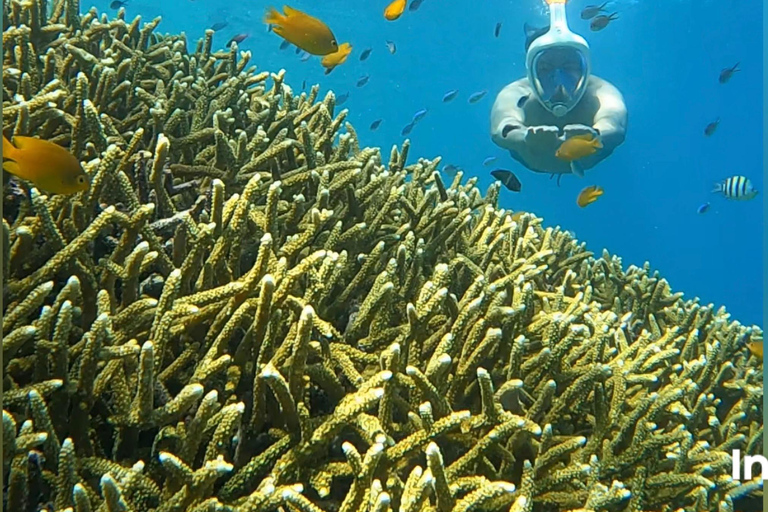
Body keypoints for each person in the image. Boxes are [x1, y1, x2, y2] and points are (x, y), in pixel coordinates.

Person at [490, 0, 627, 181]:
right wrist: (522, 137)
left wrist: (598, 134)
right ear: (531, 72)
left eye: (569, 67)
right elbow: (502, 125)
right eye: (545, 69)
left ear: (585, 68)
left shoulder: (601, 90)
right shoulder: (517, 92)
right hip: (536, 164)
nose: (559, 82)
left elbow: (614, 122)